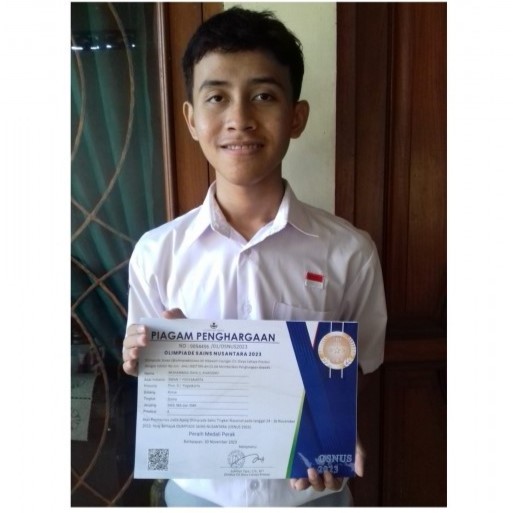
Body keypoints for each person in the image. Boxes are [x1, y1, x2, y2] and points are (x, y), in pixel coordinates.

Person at [122, 6, 387, 507]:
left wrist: (335, 437)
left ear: (297, 117)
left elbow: (359, 366)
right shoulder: (157, 253)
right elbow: (148, 372)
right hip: (195, 497)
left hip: (311, 498)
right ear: (191, 119)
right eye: (217, 97)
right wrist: (143, 356)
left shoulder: (349, 251)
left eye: (264, 96)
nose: (240, 119)